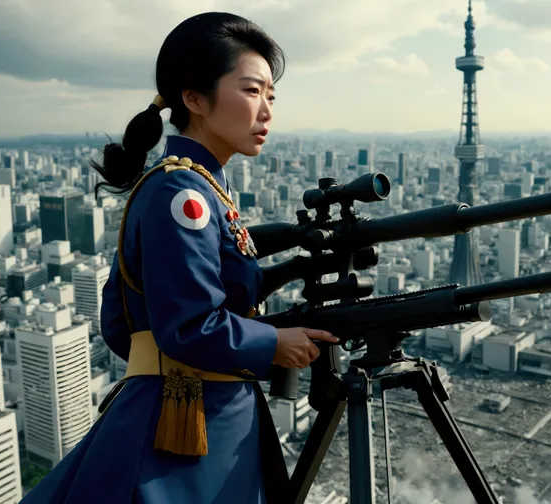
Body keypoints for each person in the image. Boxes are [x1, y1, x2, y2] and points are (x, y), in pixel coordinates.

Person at [20, 12, 338, 504]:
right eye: (252, 91)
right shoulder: (180, 195)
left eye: (271, 96)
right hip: (186, 429)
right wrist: (273, 342)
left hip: (208, 410)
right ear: (194, 99)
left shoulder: (205, 188)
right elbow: (189, 326)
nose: (268, 110)